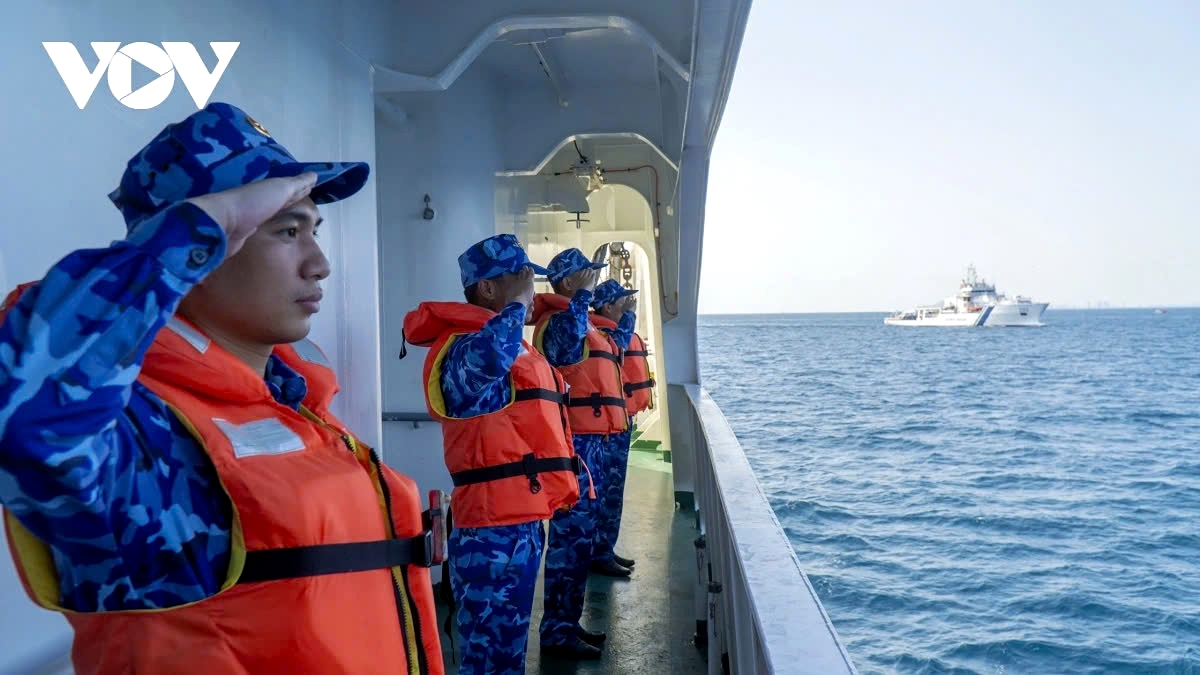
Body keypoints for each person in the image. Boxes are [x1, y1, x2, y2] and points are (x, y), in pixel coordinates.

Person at [0, 102, 443, 675]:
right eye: (287, 231)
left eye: (315, 231)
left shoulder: (289, 405)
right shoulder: (140, 435)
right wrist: (191, 232)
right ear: (200, 252)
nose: (320, 264)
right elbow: (25, 415)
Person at [402, 233, 583, 674]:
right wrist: (518, 306)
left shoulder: (502, 343)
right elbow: (489, 361)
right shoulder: (464, 350)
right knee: (486, 659)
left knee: (509, 655)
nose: (531, 286)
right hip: (488, 533)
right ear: (487, 288)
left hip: (517, 523)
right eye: (521, 277)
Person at [530, 248, 628, 660]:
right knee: (570, 543)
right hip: (576, 446)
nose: (593, 281)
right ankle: (556, 631)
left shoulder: (580, 321)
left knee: (582, 543)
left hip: (594, 444)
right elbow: (568, 351)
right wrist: (583, 297)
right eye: (586, 276)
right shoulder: (559, 324)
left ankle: (567, 624)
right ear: (569, 283)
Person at [588, 279, 647, 571]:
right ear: (608, 306)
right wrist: (630, 316)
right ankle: (599, 554)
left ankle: (604, 549)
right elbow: (620, 345)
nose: (628, 306)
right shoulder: (601, 333)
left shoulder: (607, 332)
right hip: (606, 431)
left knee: (613, 491)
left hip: (618, 424)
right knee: (607, 492)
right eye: (622, 302)